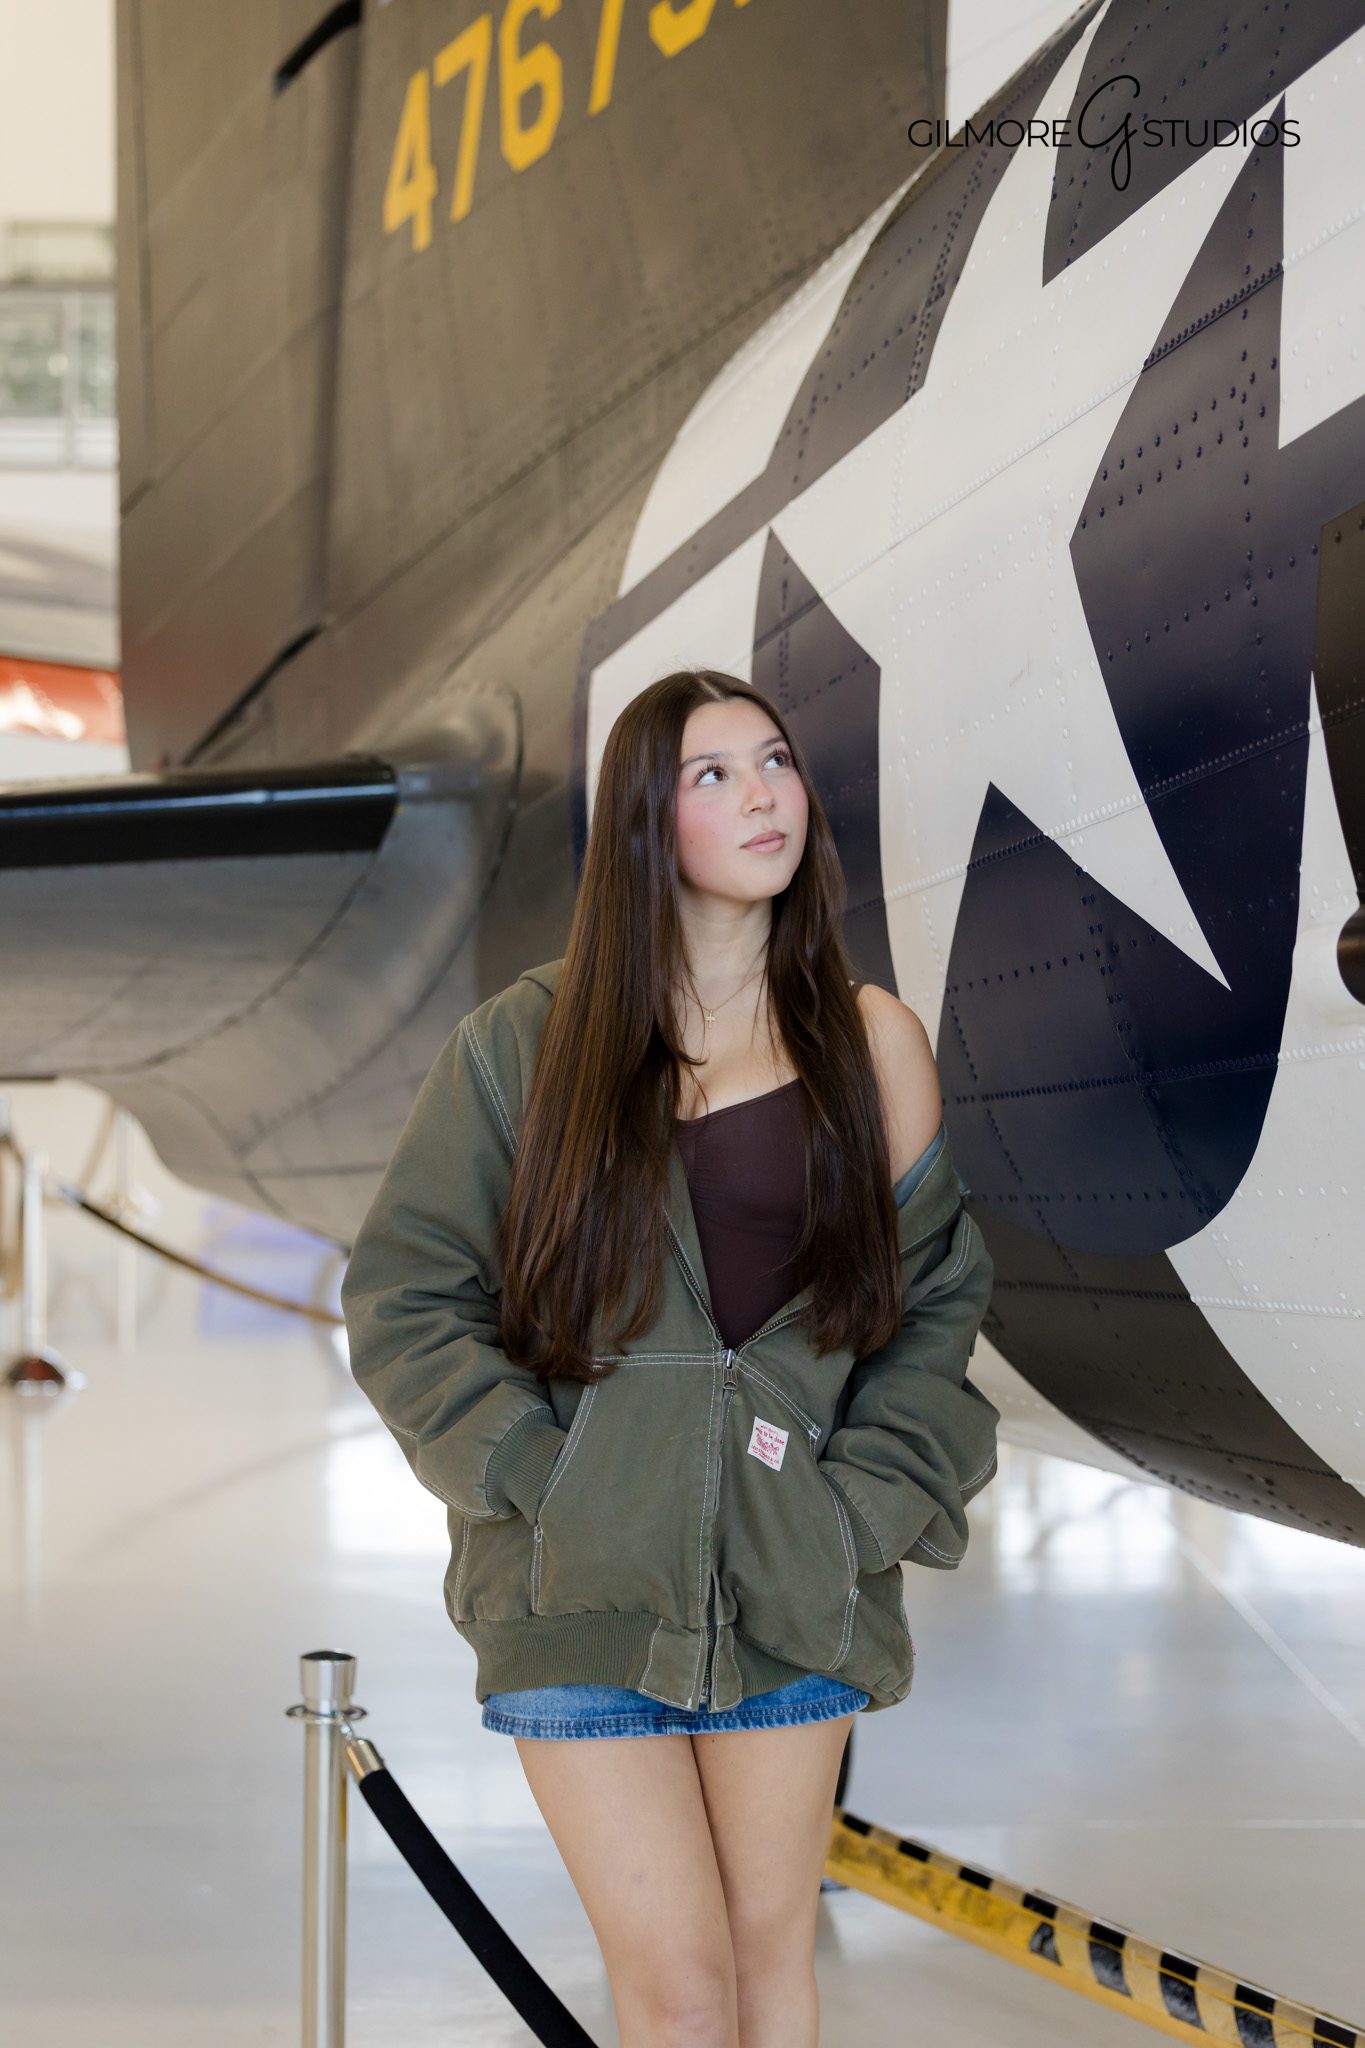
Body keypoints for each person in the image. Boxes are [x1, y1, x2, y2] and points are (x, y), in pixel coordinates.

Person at [341, 668, 999, 2048]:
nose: (762, 795)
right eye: (711, 774)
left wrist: (854, 1514)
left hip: (796, 1585)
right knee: (678, 1993)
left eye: (774, 763)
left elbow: (933, 1311)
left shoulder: (869, 1044)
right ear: (645, 819)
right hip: (574, 1584)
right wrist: (540, 1474)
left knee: (768, 1977)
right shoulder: (525, 1047)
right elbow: (408, 1295)